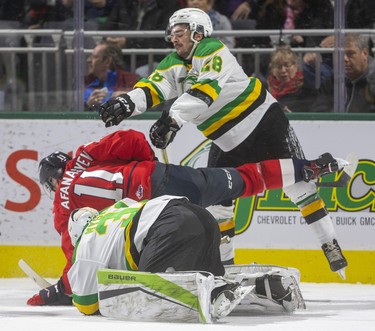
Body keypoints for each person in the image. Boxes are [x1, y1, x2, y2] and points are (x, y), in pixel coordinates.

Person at [98, 8, 349, 277]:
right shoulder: (172, 63)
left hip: (263, 121)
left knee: (299, 186)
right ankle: (226, 267)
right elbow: (153, 88)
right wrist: (127, 102)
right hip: (226, 139)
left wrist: (172, 119)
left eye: (179, 32)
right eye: (172, 33)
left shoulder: (212, 49)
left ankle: (329, 243)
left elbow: (205, 91)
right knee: (219, 202)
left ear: (198, 32)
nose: (174, 38)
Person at [27, 129, 344, 306]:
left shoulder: (62, 203)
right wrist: (150, 169)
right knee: (240, 179)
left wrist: (57, 291)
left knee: (157, 279)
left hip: (150, 221)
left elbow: (78, 253)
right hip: (162, 178)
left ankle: (207, 282)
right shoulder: (84, 156)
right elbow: (134, 139)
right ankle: (308, 167)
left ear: (53, 181)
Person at [68, 195, 305, 318]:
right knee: (211, 282)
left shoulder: (86, 242)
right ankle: (259, 286)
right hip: (200, 216)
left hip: (170, 227)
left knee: (151, 292)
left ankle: (214, 293)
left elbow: (87, 305)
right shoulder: (117, 209)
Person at [312, 33, 375, 113]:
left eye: (351, 53)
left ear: (365, 53)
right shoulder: (333, 80)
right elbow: (319, 112)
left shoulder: (373, 81)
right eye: (340, 54)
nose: (345, 59)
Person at [266, 45, 331, 112]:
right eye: (279, 67)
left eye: (287, 65)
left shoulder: (307, 89)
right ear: (273, 70)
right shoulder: (265, 90)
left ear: (296, 66)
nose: (283, 70)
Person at [84, 41, 139, 109]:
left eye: (95, 57)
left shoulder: (132, 81)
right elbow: (71, 111)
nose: (88, 60)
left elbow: (148, 102)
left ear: (107, 61)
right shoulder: (85, 82)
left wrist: (130, 98)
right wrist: (87, 106)